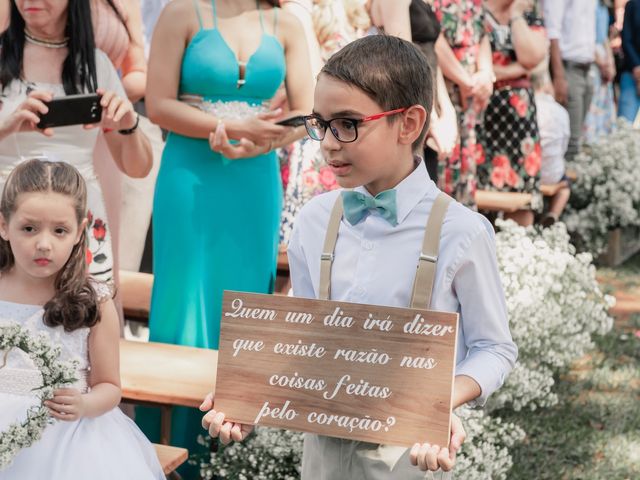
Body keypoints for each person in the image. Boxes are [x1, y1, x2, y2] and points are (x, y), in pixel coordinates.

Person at [201, 35, 517, 479]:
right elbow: (305, 336)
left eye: (347, 124)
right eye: (321, 123)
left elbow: (494, 347)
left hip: (409, 456)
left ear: (408, 124)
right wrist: (255, 395)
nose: (328, 143)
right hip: (322, 453)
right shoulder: (314, 221)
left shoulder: (459, 232)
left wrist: (441, 399)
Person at [139, 0, 313, 474]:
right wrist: (227, 125)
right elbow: (158, 104)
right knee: (182, 303)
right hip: (188, 178)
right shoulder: (182, 13)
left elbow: (305, 111)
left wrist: (261, 143)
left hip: (254, 181)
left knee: (244, 306)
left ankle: (233, 456)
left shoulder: (287, 23)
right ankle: (169, 453)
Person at [0, 159, 163, 479]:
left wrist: (85, 405)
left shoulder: (93, 303)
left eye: (60, 230)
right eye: (29, 228)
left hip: (66, 438)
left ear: (80, 232)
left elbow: (109, 385)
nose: (43, 243)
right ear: (4, 225)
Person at [0, 0, 152, 286]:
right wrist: (7, 127)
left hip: (78, 219)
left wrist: (128, 124)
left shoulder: (96, 65)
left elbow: (138, 168)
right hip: (9, 216)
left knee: (81, 318)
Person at [366, 0, 458, 183]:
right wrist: (429, 119)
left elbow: (431, 56)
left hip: (428, 104)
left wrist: (447, 111)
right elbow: (404, 61)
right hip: (409, 106)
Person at [477, 0, 546, 226]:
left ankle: (517, 250)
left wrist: (516, 16)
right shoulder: (475, 8)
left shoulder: (526, 12)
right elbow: (469, 60)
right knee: (480, 184)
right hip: (482, 109)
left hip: (520, 118)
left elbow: (533, 59)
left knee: (523, 188)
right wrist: (515, 70)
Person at [432, 0, 495, 208]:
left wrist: (485, 73)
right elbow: (432, 41)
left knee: (466, 168)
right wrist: (465, 80)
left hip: (470, 98)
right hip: (444, 94)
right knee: (444, 165)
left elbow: (483, 35)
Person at [544, 0, 597, 161]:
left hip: (587, 68)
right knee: (570, 143)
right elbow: (552, 31)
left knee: (578, 137)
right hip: (568, 68)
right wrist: (559, 76)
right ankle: (565, 184)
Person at [533, 66, 571, 226]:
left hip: (530, 172)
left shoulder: (527, 108)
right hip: (551, 173)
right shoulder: (561, 111)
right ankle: (553, 214)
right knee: (565, 186)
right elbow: (564, 145)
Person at [584, 0, 617, 141]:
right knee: (592, 101)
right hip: (592, 57)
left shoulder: (604, 7)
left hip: (603, 56)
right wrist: (602, 63)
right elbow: (586, 36)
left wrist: (610, 62)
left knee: (604, 100)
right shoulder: (590, 5)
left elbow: (604, 38)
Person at [618, 0, 640, 121]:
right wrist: (637, 66)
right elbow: (626, 39)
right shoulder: (633, 5)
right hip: (632, 73)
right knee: (625, 126)